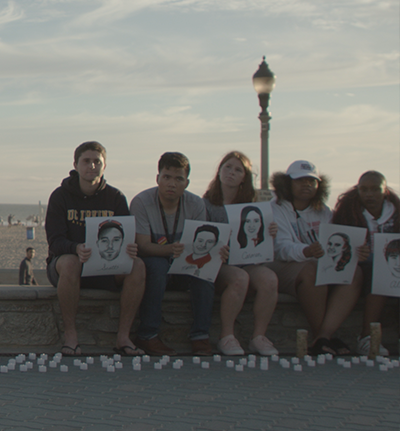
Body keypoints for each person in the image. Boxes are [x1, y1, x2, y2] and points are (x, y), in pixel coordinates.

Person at [44, 141, 146, 358]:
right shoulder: (60, 196)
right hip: (69, 267)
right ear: (76, 164)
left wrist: (130, 248)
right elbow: (55, 242)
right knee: (70, 262)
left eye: (97, 162)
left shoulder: (116, 197)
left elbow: (126, 234)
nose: (91, 166)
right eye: (86, 161)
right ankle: (71, 336)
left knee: (137, 266)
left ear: (104, 165)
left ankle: (123, 337)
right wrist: (75, 248)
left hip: (105, 266)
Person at [131, 152, 236, 356]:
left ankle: (200, 336)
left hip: (184, 263)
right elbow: (142, 246)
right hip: (157, 264)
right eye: (167, 177)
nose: (172, 183)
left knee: (204, 271)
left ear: (187, 183)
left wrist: (218, 252)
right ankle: (148, 335)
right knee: (157, 266)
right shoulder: (141, 202)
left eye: (179, 179)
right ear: (157, 179)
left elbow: (203, 244)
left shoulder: (196, 204)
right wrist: (169, 249)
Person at [267, 160, 360, 356]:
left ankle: (323, 337)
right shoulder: (274, 208)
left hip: (316, 264)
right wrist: (307, 251)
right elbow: (281, 248)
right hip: (283, 265)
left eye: (312, 181)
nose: (307, 185)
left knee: (355, 272)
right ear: (287, 183)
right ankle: (325, 337)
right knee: (311, 271)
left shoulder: (325, 211)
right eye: (300, 180)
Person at [200, 150, 279, 356]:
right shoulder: (205, 204)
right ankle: (227, 336)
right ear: (219, 172)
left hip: (246, 261)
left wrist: (270, 232)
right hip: (218, 265)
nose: (231, 173)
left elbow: (260, 242)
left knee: (269, 279)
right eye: (227, 167)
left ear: (245, 177)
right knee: (239, 278)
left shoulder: (255, 207)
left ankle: (258, 337)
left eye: (238, 170)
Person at [330, 170, 399, 355]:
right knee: (378, 277)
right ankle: (367, 337)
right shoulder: (348, 213)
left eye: (375, 189)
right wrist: (356, 253)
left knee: (385, 273)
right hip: (361, 267)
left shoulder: (397, 213)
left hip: (393, 267)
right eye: (364, 189)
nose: (369, 194)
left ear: (385, 190)